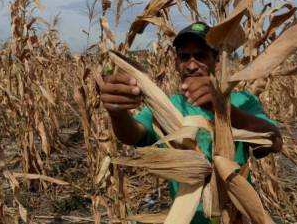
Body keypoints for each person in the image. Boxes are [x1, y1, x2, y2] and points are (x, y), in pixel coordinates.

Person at [100, 21, 282, 224]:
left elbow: (273, 142)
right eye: (184, 57)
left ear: (217, 60)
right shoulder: (168, 106)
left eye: (201, 55)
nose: (192, 65)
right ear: (176, 63)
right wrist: (117, 113)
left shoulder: (242, 101)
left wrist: (221, 107)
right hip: (187, 216)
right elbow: (133, 134)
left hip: (235, 216)